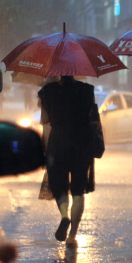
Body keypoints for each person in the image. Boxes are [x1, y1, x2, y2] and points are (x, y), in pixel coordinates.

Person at [38, 75, 99, 247]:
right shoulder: (87, 90)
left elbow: (45, 121)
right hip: (82, 143)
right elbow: (93, 115)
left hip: (58, 142)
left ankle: (65, 216)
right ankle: (72, 236)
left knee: (59, 186)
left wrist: (44, 150)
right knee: (78, 191)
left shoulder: (47, 91)